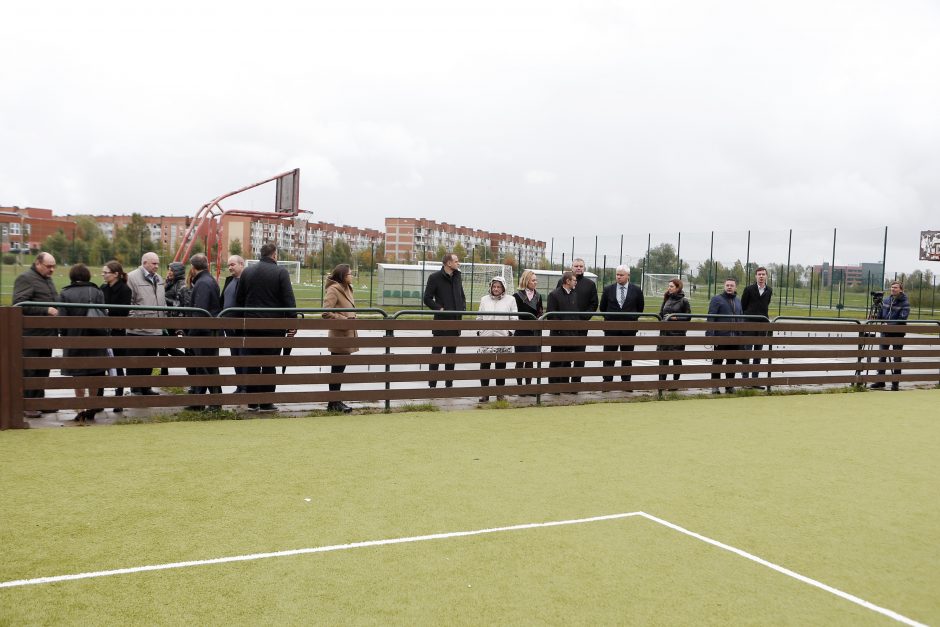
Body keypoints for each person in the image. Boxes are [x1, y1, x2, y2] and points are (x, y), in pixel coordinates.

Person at [235, 243, 297, 411]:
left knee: (253, 364)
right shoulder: (281, 272)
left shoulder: (248, 271)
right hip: (273, 328)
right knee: (270, 364)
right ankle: (267, 401)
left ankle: (253, 401)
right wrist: (293, 322)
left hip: (251, 326)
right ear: (274, 255)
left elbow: (239, 299)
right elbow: (288, 300)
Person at [58, 263, 109, 424]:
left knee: (77, 376)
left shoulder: (65, 293)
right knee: (94, 374)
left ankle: (80, 410)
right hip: (95, 340)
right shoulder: (97, 292)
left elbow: (62, 322)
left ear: (72, 277)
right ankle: (91, 407)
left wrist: (64, 337)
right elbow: (103, 314)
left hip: (74, 341)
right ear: (87, 276)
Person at [13, 252, 59, 419]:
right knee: (31, 369)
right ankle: (28, 405)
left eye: (54, 266)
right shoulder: (25, 278)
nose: (52, 270)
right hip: (32, 334)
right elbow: (19, 303)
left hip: (48, 333)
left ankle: (39, 402)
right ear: (38, 263)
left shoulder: (47, 278)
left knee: (43, 369)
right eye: (49, 266)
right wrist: (45, 310)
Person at [183, 254, 222, 411]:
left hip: (203, 333)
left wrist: (192, 333)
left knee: (206, 367)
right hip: (208, 331)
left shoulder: (202, 284)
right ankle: (203, 401)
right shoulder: (209, 280)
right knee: (206, 367)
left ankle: (213, 402)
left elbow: (200, 311)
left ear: (193, 268)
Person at [422, 252, 466, 388]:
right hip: (441, 324)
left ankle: (449, 386)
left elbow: (461, 295)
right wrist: (439, 309)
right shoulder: (434, 278)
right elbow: (427, 298)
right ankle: (432, 386)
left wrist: (462, 309)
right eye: (456, 261)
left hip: (455, 323)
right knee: (436, 355)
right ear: (448, 263)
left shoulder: (458, 277)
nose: (459, 263)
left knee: (451, 356)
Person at [126, 252, 167, 395]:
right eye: (154, 263)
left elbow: (162, 301)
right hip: (138, 328)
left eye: (157, 263)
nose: (157, 266)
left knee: (150, 359)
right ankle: (135, 388)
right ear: (144, 263)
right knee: (136, 360)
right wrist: (133, 321)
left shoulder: (159, 278)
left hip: (156, 327)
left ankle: (146, 387)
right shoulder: (131, 277)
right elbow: (128, 302)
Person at [598, 265, 644, 383]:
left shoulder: (637, 290)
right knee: (609, 356)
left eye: (621, 275)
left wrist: (630, 319)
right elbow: (602, 307)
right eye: (617, 274)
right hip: (611, 330)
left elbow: (640, 308)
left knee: (627, 357)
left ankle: (626, 382)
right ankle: (607, 381)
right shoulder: (608, 289)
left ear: (628, 276)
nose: (618, 277)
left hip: (629, 330)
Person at [322, 264, 358, 413]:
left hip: (348, 334)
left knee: (339, 370)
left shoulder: (348, 288)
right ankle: (334, 402)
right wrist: (343, 319)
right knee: (336, 370)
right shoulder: (333, 289)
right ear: (343, 275)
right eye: (350, 274)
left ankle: (335, 401)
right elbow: (325, 312)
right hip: (339, 335)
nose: (352, 276)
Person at [476, 276, 518, 402]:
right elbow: (479, 317)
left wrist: (509, 333)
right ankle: (485, 393)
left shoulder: (511, 300)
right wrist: (479, 331)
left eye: (498, 286)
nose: (496, 289)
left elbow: (514, 318)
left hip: (502, 338)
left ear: (503, 287)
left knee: (500, 366)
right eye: (494, 286)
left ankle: (500, 393)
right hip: (486, 338)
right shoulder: (484, 299)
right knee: (485, 366)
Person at [555, 258, 597, 382]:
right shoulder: (562, 282)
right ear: (571, 267)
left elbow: (593, 304)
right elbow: (557, 298)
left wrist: (583, 317)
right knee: (565, 356)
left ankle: (576, 383)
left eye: (581, 266)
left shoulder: (590, 284)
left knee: (579, 356)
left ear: (584, 268)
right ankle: (564, 381)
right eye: (576, 266)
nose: (578, 268)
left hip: (581, 326)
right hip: (565, 327)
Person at [100, 260, 132, 411]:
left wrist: (108, 312)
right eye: (103, 272)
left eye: (106, 272)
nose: (103, 275)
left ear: (116, 274)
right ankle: (98, 399)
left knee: (118, 365)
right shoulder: (103, 289)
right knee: (102, 365)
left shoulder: (125, 290)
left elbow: (122, 312)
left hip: (117, 332)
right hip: (104, 331)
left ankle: (118, 398)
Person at [870, 281, 910, 391]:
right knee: (882, 357)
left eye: (896, 287)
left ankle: (895, 383)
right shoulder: (887, 300)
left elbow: (902, 318)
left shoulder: (905, 302)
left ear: (901, 289)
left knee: (896, 358)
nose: (893, 289)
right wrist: (876, 317)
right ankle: (880, 381)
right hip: (885, 333)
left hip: (897, 333)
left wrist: (889, 324)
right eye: (892, 287)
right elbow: (880, 316)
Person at [706, 278, 744, 394]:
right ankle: (715, 386)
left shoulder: (738, 301)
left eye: (731, 285)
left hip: (734, 338)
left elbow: (741, 317)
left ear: (735, 287)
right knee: (717, 362)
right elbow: (711, 317)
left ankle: (729, 386)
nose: (729, 287)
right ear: (724, 286)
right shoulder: (717, 299)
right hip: (720, 337)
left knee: (731, 362)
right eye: (727, 285)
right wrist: (710, 335)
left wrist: (740, 335)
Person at [740, 266, 773, 387]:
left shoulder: (769, 290)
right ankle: (745, 380)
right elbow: (743, 306)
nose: (761, 276)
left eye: (763, 274)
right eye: (759, 274)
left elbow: (766, 305)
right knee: (747, 352)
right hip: (749, 325)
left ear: (766, 276)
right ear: (755, 276)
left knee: (758, 353)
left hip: (762, 325)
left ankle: (754, 381)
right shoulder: (748, 289)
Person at [546, 271, 580, 385]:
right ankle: (553, 386)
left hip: (572, 334)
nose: (576, 282)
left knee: (567, 361)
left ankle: (564, 385)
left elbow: (575, 314)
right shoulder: (554, 295)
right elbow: (551, 315)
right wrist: (560, 329)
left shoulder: (574, 294)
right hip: (558, 335)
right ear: (567, 281)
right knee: (556, 360)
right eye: (574, 280)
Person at [657, 278, 692, 386]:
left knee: (676, 358)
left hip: (678, 334)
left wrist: (676, 318)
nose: (669, 288)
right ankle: (662, 383)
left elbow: (688, 317)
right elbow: (661, 313)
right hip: (665, 333)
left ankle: (675, 383)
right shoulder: (666, 299)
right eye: (669, 286)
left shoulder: (684, 301)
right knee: (663, 358)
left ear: (678, 288)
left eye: (671, 286)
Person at [220, 255, 247, 393]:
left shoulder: (247, 281)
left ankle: (245, 387)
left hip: (241, 327)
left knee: (243, 357)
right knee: (235, 356)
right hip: (228, 326)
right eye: (229, 265)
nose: (230, 267)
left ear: (241, 264)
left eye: (233, 265)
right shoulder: (229, 280)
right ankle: (239, 386)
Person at [512, 270, 543, 386]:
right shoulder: (516, 296)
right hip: (520, 332)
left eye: (536, 280)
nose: (536, 282)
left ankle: (528, 386)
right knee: (520, 359)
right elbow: (514, 314)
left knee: (530, 360)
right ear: (526, 281)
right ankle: (520, 387)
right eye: (533, 280)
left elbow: (540, 313)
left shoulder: (538, 296)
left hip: (533, 332)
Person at [160, 261, 188, 374]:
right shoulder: (169, 282)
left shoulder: (181, 284)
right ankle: (164, 371)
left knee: (166, 345)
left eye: (171, 270)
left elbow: (178, 302)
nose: (169, 272)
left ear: (177, 272)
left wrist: (163, 300)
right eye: (169, 270)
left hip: (174, 320)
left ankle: (189, 361)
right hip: (167, 319)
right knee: (163, 345)